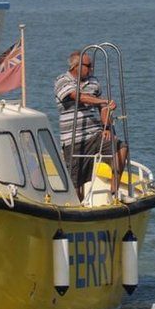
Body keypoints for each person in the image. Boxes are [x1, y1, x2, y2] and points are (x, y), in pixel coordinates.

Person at [54, 51, 129, 200]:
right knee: (76, 183)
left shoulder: (93, 82)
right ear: (76, 66)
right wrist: (102, 101)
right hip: (73, 138)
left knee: (121, 148)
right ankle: (76, 208)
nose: (92, 69)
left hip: (95, 133)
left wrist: (107, 126)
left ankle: (114, 192)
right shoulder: (62, 80)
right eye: (88, 66)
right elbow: (78, 97)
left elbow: (102, 108)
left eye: (92, 66)